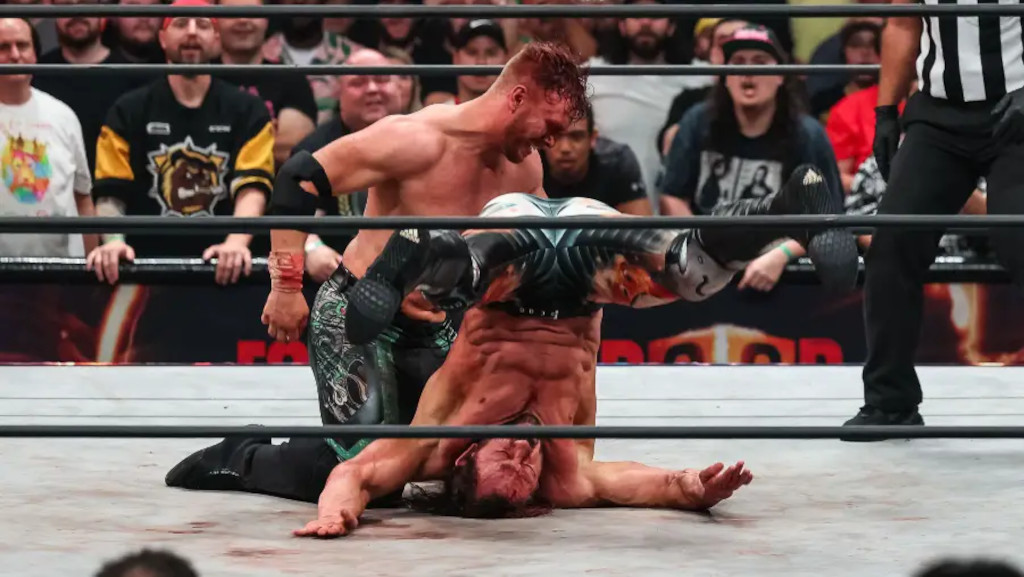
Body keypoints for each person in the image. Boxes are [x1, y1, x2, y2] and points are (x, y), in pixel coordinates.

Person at [295, 163, 856, 535]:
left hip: (513, 265)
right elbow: (643, 485)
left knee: (463, 280)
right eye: (528, 466)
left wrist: (335, 514)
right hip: (590, 270)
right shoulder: (567, 476)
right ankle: (790, 205)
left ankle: (417, 250)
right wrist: (691, 488)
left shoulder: (435, 442)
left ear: (465, 459)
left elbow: (356, 474)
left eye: (504, 459)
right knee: (691, 273)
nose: (523, 451)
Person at [164, 42, 590, 504]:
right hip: (357, 318)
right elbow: (300, 177)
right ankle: (242, 455)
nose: (552, 142)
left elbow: (530, 251)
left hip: (439, 330)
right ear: (518, 98)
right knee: (370, 475)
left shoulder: (525, 167)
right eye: (550, 126)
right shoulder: (415, 139)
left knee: (466, 459)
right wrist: (285, 286)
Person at [845, 0, 1024, 432]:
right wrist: (886, 111)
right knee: (891, 245)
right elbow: (903, 23)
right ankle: (890, 402)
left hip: (1017, 112)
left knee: (1019, 240)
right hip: (939, 117)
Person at [86, 0, 274, 286]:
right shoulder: (128, 110)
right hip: (145, 269)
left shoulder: (249, 110)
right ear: (162, 38)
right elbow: (110, 191)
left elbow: (253, 186)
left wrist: (236, 243)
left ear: (217, 39)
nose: (192, 32)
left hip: (226, 270)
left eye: (203, 25)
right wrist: (113, 242)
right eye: (181, 23)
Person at [660, 24, 843, 294]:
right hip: (703, 270)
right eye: (738, 62)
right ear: (725, 76)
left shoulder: (808, 136)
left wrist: (780, 255)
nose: (748, 71)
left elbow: (828, 218)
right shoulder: (697, 121)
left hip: (778, 278)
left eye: (760, 62)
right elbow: (672, 195)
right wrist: (700, 245)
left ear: (780, 75)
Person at [0, 17, 97, 258]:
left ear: (35, 54)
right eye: (3, 47)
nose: (15, 55)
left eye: (22, 45)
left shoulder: (63, 116)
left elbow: (83, 198)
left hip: (61, 269)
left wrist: (91, 270)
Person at [214, 0, 317, 168]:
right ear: (216, 21)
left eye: (252, 13)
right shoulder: (201, 75)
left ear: (265, 20)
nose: (243, 20)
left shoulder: (290, 78)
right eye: (233, 13)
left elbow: (293, 148)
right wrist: (265, 136)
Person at [541, 101, 652, 215]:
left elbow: (640, 224)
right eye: (555, 136)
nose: (565, 148)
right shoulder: (531, 160)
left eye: (576, 137)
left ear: (593, 138)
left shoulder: (617, 163)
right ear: (542, 138)